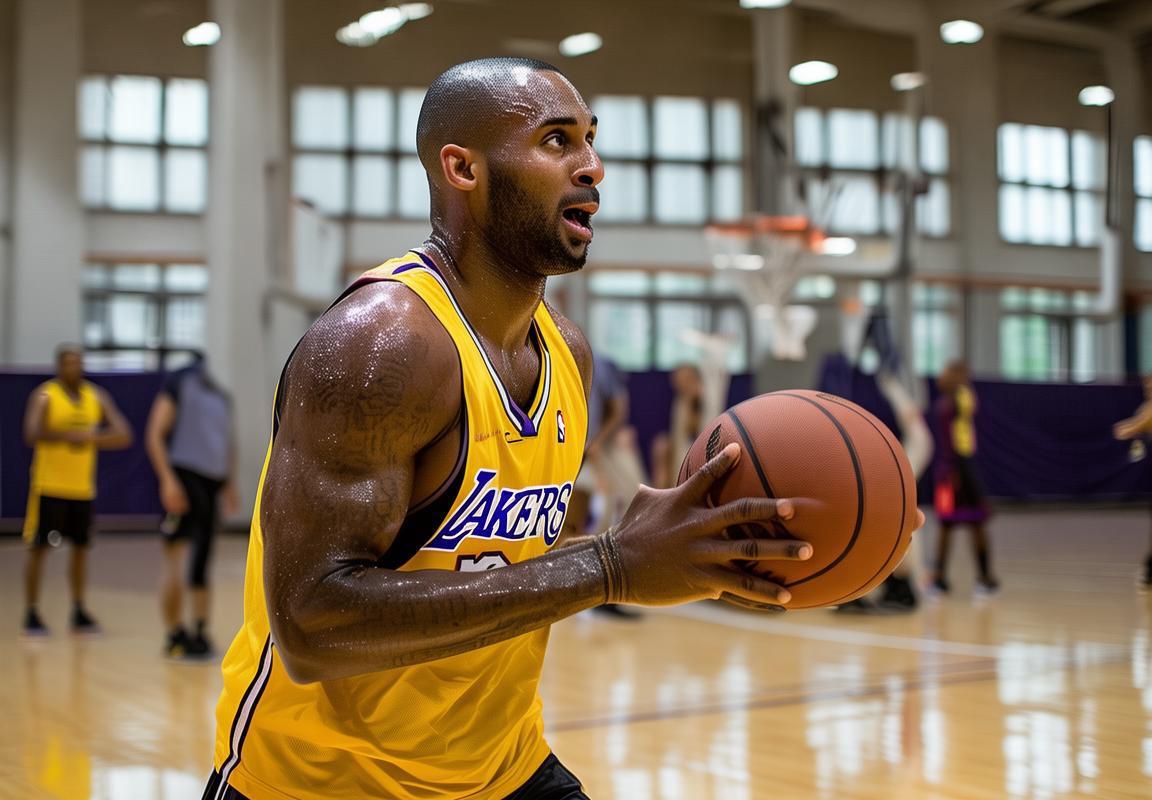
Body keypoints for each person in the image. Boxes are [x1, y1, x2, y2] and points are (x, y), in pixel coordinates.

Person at [203, 58, 837, 800]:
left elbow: (501, 561)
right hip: (318, 783)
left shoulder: (566, 352)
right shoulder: (381, 344)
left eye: (591, 140)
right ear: (463, 169)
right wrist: (609, 566)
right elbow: (313, 625)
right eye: (556, 141)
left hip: (503, 768)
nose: (592, 166)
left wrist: (695, 558)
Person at [21, 344, 133, 636]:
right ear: (59, 366)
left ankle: (78, 609)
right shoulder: (46, 395)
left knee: (81, 549)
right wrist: (68, 435)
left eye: (78, 362)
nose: (74, 367)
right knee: (39, 548)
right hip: (49, 485)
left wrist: (90, 438)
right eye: (69, 363)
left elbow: (123, 434)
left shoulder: (96, 396)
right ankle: (31, 611)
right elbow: (31, 433)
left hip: (82, 488)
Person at [145, 352, 238, 658]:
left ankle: (200, 631)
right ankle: (174, 634)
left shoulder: (222, 395)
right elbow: (154, 434)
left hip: (211, 482)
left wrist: (229, 483)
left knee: (202, 560)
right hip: (183, 476)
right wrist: (167, 480)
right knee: (174, 555)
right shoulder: (180, 381)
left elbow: (227, 441)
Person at [561, 352, 646, 619]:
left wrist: (596, 442)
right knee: (563, 523)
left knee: (606, 515)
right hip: (564, 448)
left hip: (592, 452)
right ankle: (565, 586)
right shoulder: (550, 356)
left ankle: (601, 588)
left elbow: (618, 410)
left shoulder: (599, 363)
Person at [930, 359, 997, 597]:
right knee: (952, 524)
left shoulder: (957, 399)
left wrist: (952, 469)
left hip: (956, 467)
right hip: (954, 469)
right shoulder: (953, 400)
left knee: (970, 523)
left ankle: (982, 579)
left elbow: (958, 438)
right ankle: (943, 579)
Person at [1113, 373, 1152, 589]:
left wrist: (1127, 430)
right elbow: (1136, 424)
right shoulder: (1147, 407)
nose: (1147, 388)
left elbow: (1135, 427)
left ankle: (1149, 571)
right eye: (1146, 385)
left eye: (1150, 385)